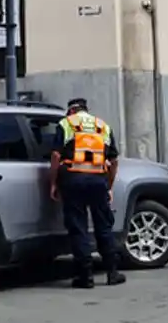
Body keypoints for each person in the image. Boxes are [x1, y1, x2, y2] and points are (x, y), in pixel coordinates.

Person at [49, 98, 125, 289]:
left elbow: (56, 155)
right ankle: (112, 273)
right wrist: (109, 186)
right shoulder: (103, 126)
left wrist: (53, 183)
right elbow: (114, 160)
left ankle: (85, 277)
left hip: (73, 179)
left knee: (78, 226)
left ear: (72, 110)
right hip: (98, 180)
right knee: (103, 226)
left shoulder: (66, 124)